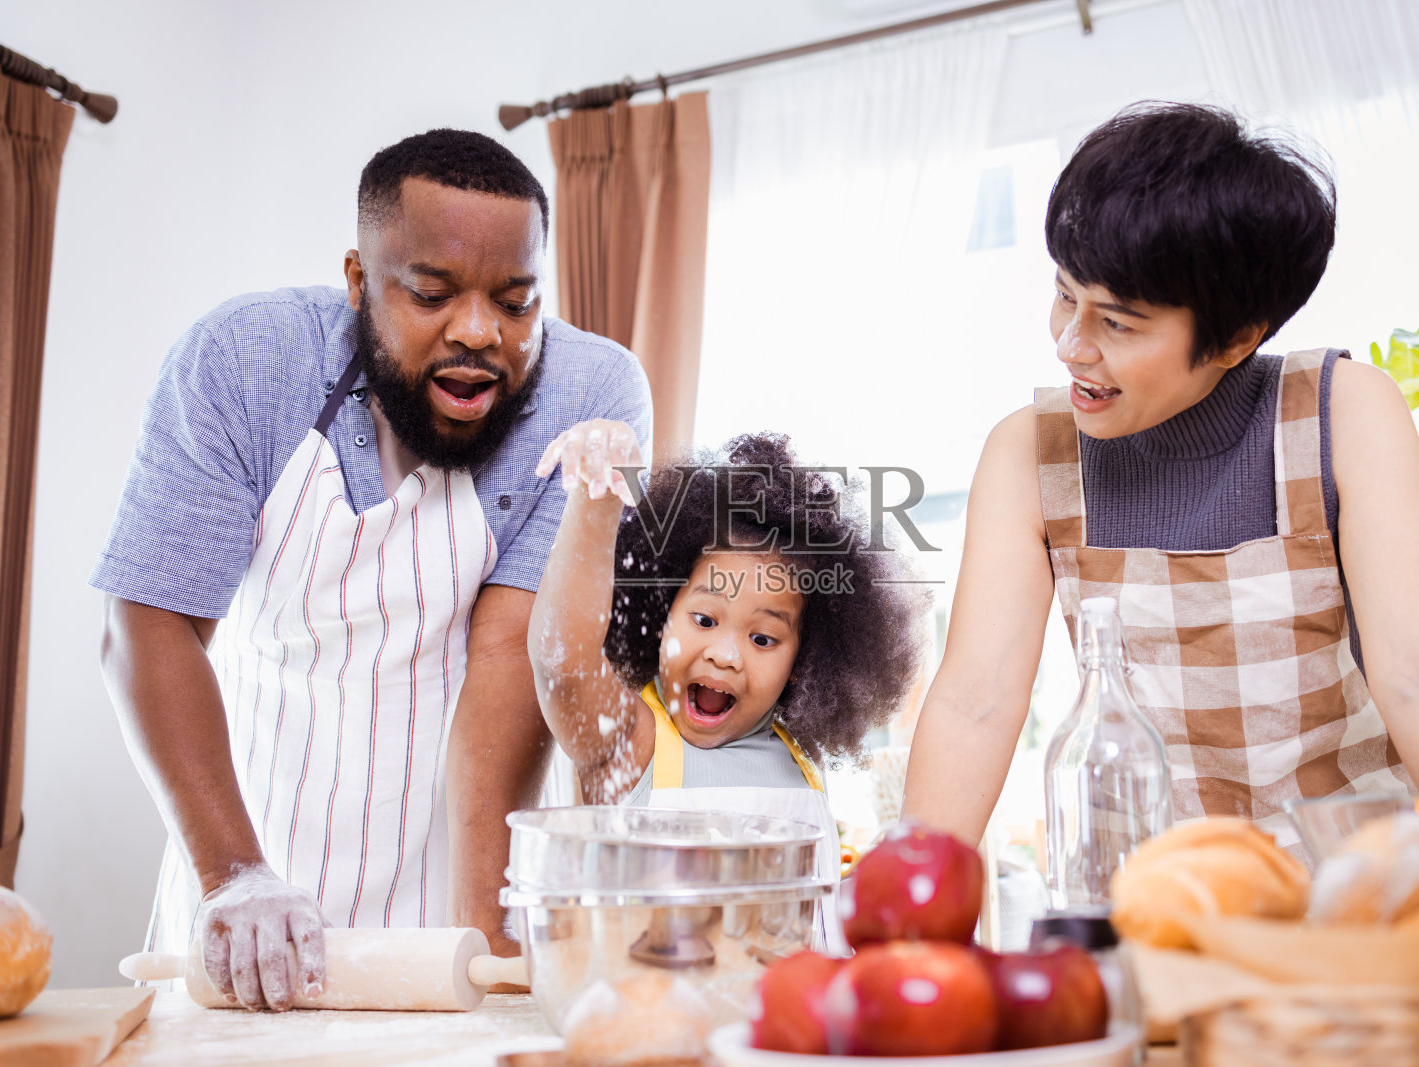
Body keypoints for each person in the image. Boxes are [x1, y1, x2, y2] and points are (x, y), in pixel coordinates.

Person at [94, 129, 651, 1009]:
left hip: (443, 935)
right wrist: (233, 875)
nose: (478, 332)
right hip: (239, 896)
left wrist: (489, 947)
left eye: (516, 302)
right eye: (432, 294)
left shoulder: (588, 394)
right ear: (358, 280)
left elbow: (510, 660)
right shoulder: (247, 362)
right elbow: (148, 628)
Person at [901, 103, 1419, 850]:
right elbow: (975, 703)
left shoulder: (1343, 413)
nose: (1071, 345)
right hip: (1151, 894)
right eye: (1063, 295)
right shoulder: (1028, 453)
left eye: (1117, 323)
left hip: (1354, 882)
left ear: (1238, 338)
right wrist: (902, 913)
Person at [528, 421, 927, 946]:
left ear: (804, 661)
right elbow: (564, 664)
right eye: (705, 620)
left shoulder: (801, 757)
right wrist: (596, 501)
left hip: (792, 1020)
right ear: (662, 610)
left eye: (764, 638)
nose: (725, 654)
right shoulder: (633, 741)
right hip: (664, 1018)